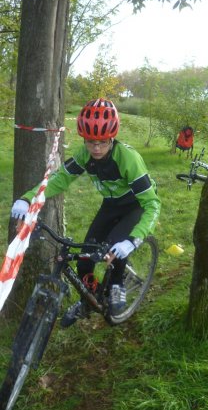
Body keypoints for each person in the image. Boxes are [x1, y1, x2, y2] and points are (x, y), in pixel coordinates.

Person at [11, 98, 161, 327]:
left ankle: (117, 286)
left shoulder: (129, 159)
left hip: (135, 205)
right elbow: (59, 180)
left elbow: (152, 204)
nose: (96, 148)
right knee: (85, 258)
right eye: (91, 142)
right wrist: (27, 198)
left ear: (112, 137)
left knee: (114, 250)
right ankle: (87, 301)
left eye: (102, 142)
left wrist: (133, 240)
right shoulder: (84, 155)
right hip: (111, 205)